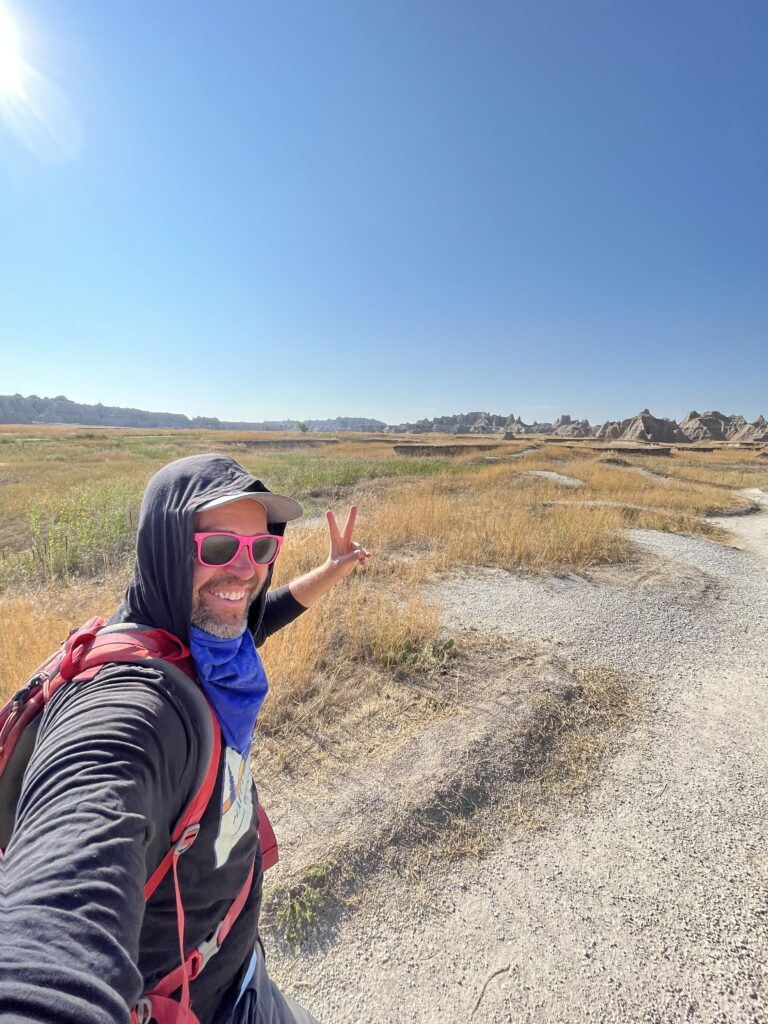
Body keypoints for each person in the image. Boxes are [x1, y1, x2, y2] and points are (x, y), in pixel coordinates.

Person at [1, 453, 369, 1024]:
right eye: (220, 549)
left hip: (238, 972)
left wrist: (333, 568)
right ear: (167, 550)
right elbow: (48, 942)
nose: (245, 571)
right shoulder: (129, 712)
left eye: (260, 549)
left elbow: (259, 616)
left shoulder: (199, 640)